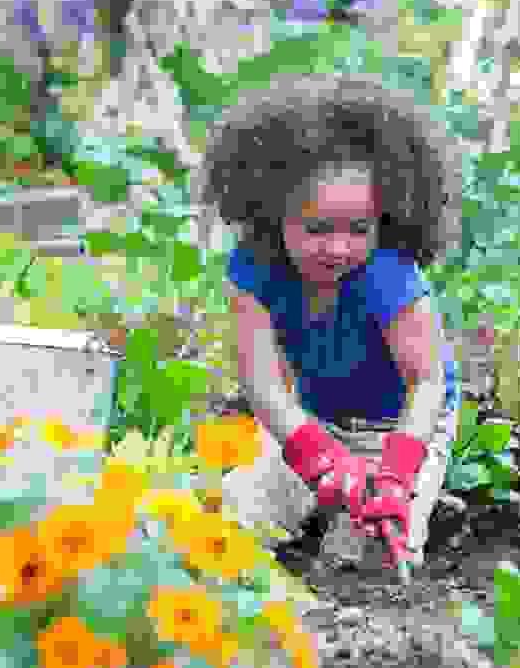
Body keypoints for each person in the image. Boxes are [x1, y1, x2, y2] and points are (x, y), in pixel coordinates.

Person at [194, 74, 463, 575]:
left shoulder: (389, 274)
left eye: (357, 229)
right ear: (273, 216)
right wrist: (318, 457)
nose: (338, 249)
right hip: (317, 420)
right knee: (225, 527)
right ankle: (331, 505)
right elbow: (264, 385)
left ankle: (418, 501)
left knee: (364, 568)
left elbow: (426, 383)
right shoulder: (254, 269)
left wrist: (396, 477)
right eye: (317, 229)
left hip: (403, 423)